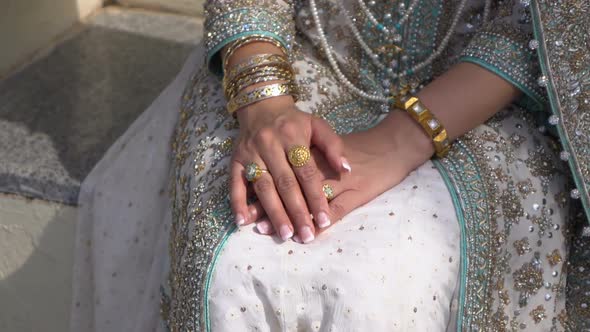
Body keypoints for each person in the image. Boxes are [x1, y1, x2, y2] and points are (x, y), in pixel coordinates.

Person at [70, 0, 590, 331]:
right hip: (293, 60)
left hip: (483, 99)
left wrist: (403, 138)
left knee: (381, 280)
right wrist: (265, 104)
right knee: (240, 257)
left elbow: (552, 21)